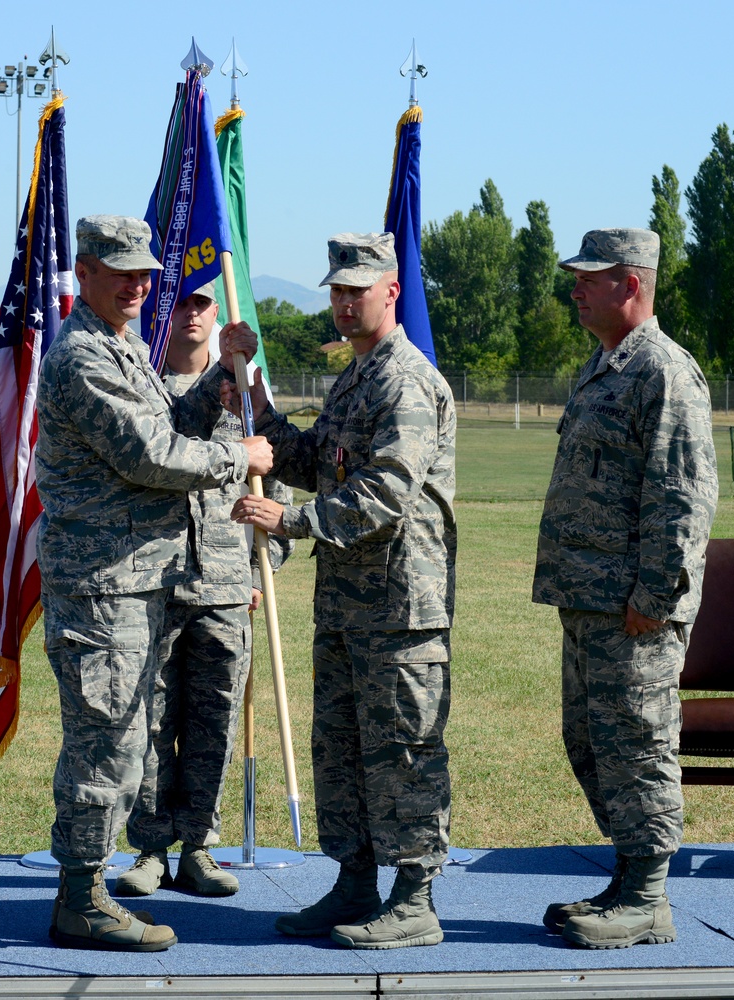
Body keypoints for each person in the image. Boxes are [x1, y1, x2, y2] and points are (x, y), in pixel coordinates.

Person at [35, 215, 273, 952]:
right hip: (103, 590)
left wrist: (215, 385)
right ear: (85, 272)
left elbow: (169, 418)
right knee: (106, 743)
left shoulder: (124, 347)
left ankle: (92, 889)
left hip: (137, 584)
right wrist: (243, 456)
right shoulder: (83, 357)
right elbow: (150, 454)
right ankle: (81, 897)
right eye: (122, 271)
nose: (139, 284)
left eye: (146, 272)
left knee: (128, 739)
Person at [227, 233, 456, 950]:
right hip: (348, 604)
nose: (345, 302)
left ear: (392, 290)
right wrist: (254, 398)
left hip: (399, 605)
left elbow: (387, 488)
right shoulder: (355, 378)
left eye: (360, 289)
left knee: (404, 746)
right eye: (337, 290)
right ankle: (355, 882)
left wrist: (291, 522)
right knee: (344, 748)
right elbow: (310, 460)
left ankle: (414, 897)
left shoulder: (403, 380)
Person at [533, 228, 718, 949]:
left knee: (638, 743)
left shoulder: (662, 371)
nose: (576, 287)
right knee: (593, 741)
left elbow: (683, 495)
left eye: (592, 277)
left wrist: (655, 595)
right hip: (588, 598)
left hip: (633, 608)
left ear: (631, 284)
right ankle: (627, 879)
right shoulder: (601, 366)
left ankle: (647, 899)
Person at [115, 282, 293, 898]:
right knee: (151, 721)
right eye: (182, 302)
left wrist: (262, 571)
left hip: (225, 586)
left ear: (220, 312)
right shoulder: (142, 385)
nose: (191, 313)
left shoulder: (246, 394)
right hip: (155, 582)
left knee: (213, 722)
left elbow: (279, 488)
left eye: (202, 303)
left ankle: (199, 845)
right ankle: (148, 848)